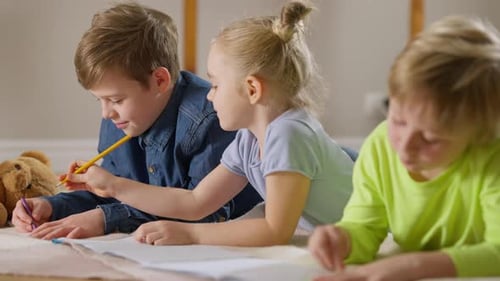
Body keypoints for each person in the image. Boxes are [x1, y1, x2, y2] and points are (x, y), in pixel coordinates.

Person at [49, 0, 354, 246]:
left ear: (252, 89)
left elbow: (275, 230)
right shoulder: (248, 140)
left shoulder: (288, 135)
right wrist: (114, 185)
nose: (209, 96)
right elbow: (196, 202)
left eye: (216, 85)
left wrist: (192, 234)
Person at [11, 2, 262, 239]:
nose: (106, 113)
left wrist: (104, 219)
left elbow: (203, 212)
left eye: (117, 100)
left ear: (160, 81)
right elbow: (112, 194)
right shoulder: (118, 120)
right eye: (100, 100)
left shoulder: (210, 118)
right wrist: (51, 206)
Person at [308, 15, 500, 280]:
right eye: (398, 121)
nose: (405, 147)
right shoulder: (379, 146)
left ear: (479, 134)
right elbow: (365, 227)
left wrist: (415, 265)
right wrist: (343, 239)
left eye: (431, 138)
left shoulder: (492, 156)